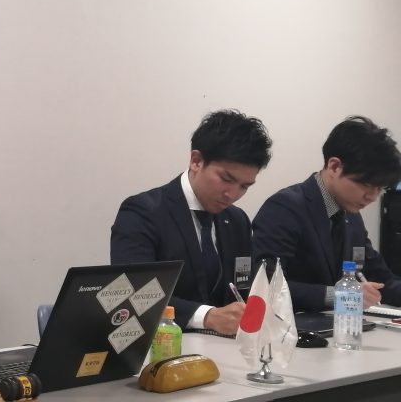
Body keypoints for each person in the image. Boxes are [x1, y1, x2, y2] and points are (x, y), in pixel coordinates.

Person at [110, 110, 272, 335]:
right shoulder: (143, 212)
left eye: (244, 186)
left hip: (226, 347)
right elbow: (134, 293)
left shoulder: (237, 221)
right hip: (165, 344)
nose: (233, 194)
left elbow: (243, 288)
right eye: (226, 179)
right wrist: (207, 316)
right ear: (196, 161)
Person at [252, 116, 401, 312]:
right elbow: (267, 284)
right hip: (292, 326)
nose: (372, 197)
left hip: (339, 325)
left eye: (380, 188)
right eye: (366, 184)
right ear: (334, 166)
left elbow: (381, 278)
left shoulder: (351, 216)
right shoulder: (285, 207)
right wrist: (339, 295)